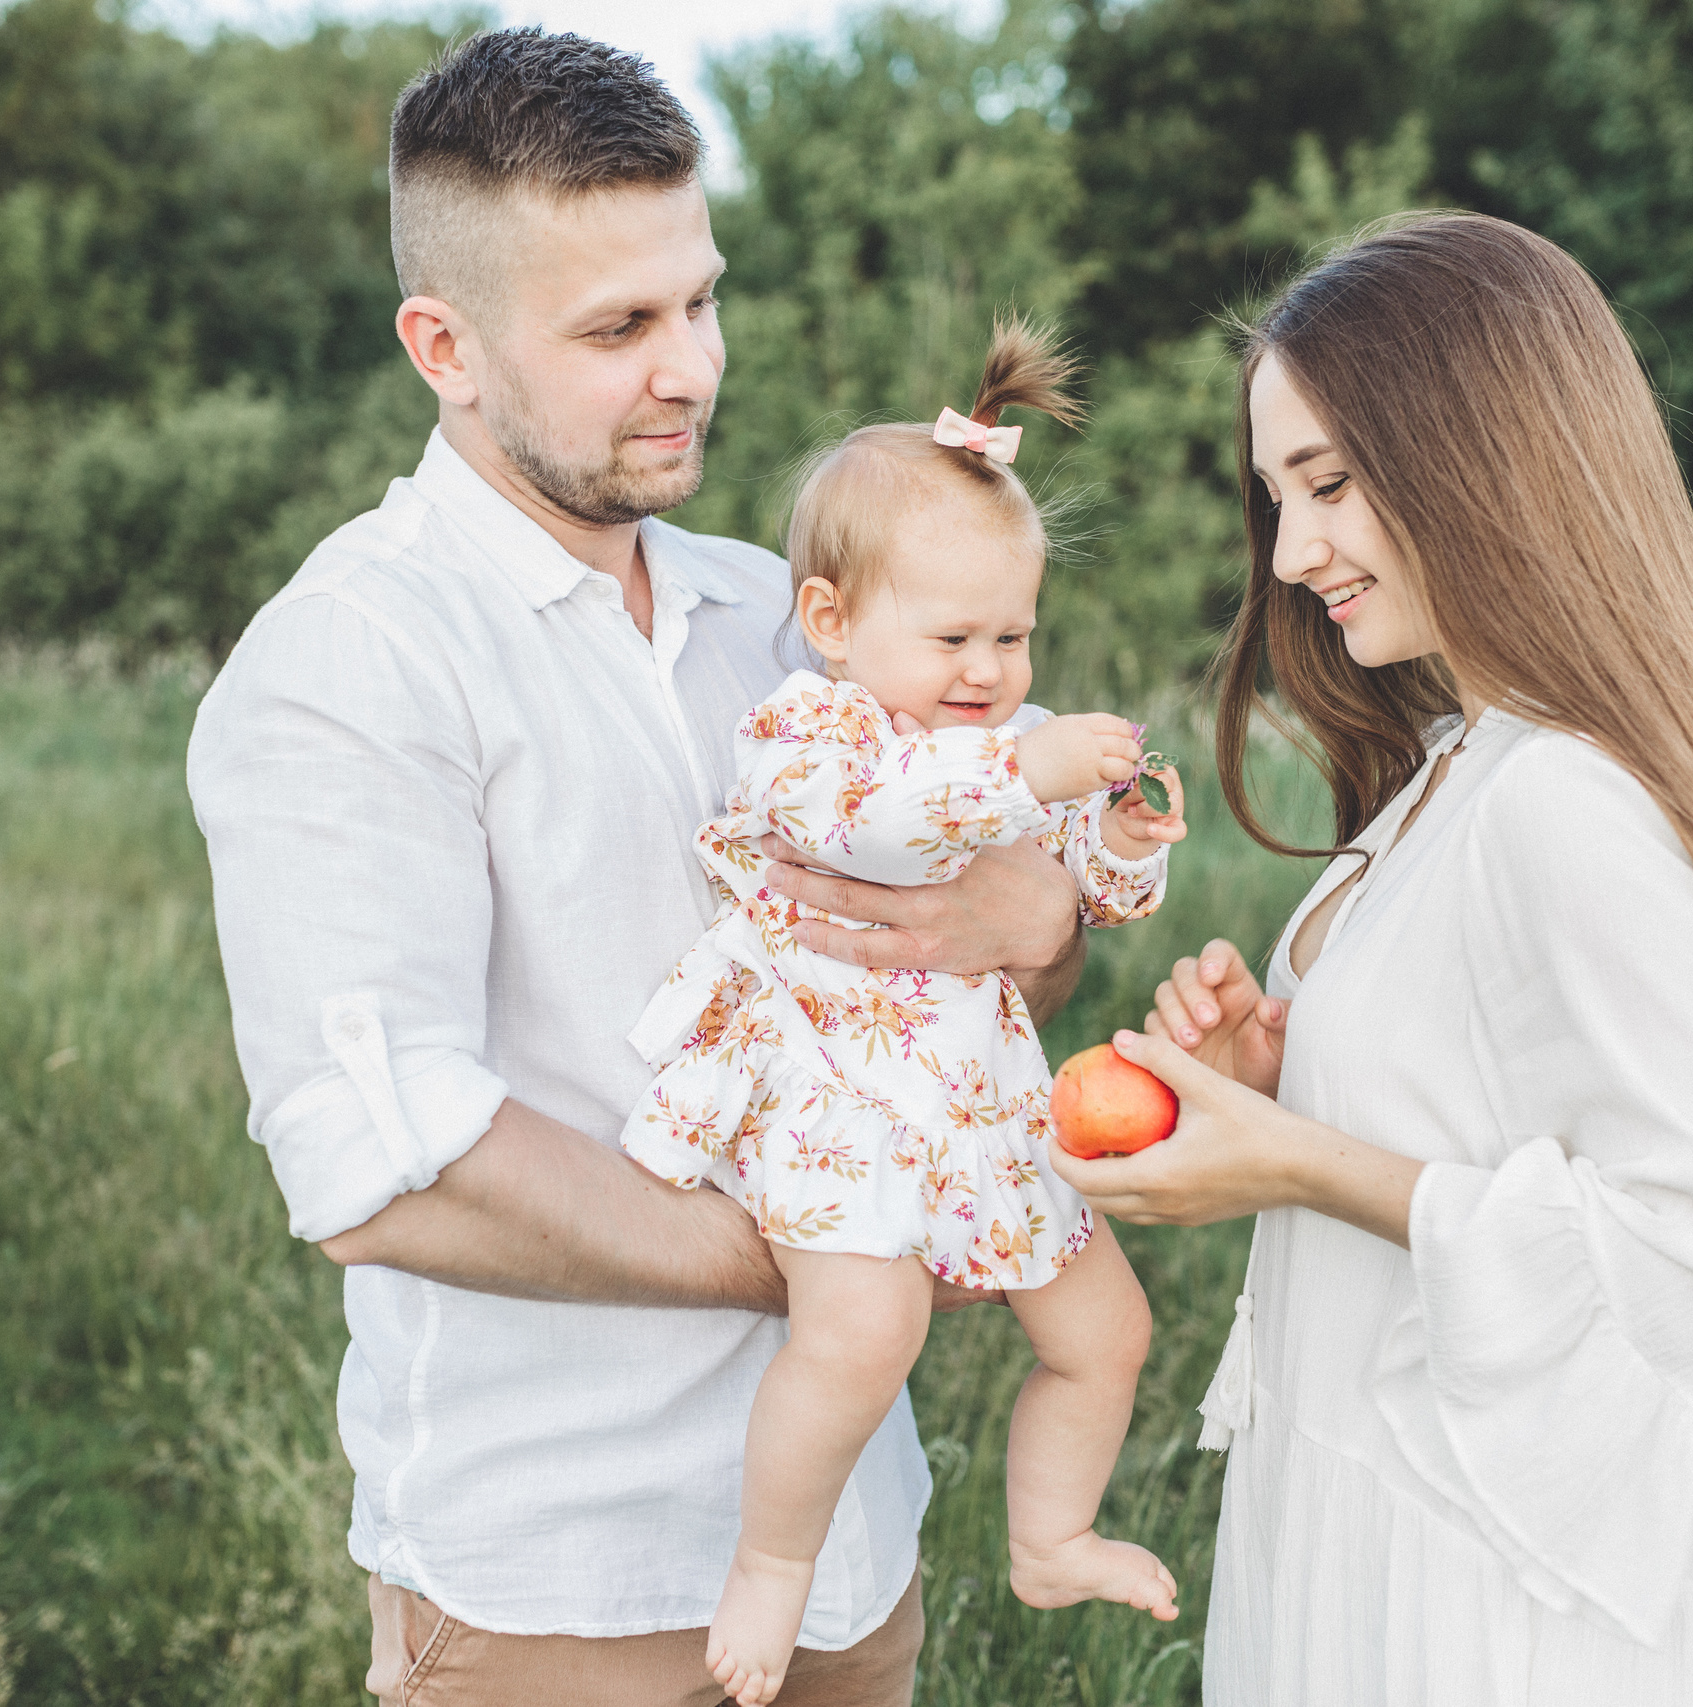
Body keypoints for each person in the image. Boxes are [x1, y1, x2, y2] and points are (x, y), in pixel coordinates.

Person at [186, 29, 1087, 1707]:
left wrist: (1034, 923)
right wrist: (833, 1245)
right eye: (618, 329)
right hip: (559, 1585)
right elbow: (387, 1168)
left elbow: (973, 960)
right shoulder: (351, 658)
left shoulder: (785, 608)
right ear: (440, 345)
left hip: (851, 1550)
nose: (692, 369)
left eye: (700, 301)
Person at [1048, 212, 1693, 1706]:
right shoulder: (1454, 761)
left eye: (1330, 486)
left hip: (1497, 1623)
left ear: (1481, 456)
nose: (1292, 556)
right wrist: (1290, 1073)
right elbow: (1488, 1091)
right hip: (1384, 1538)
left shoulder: (1563, 800)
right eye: (1276, 496)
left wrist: (1294, 1162)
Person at [617, 319, 1187, 1705]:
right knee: (866, 1331)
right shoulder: (812, 738)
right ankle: (774, 1560)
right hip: (838, 1092)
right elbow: (883, 831)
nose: (989, 669)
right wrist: (1030, 768)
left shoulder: (1001, 740)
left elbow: (1077, 904)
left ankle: (1051, 1538)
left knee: (1108, 1332)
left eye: (1014, 634)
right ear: (830, 622)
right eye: (953, 637)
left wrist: (1122, 836)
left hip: (975, 1103)